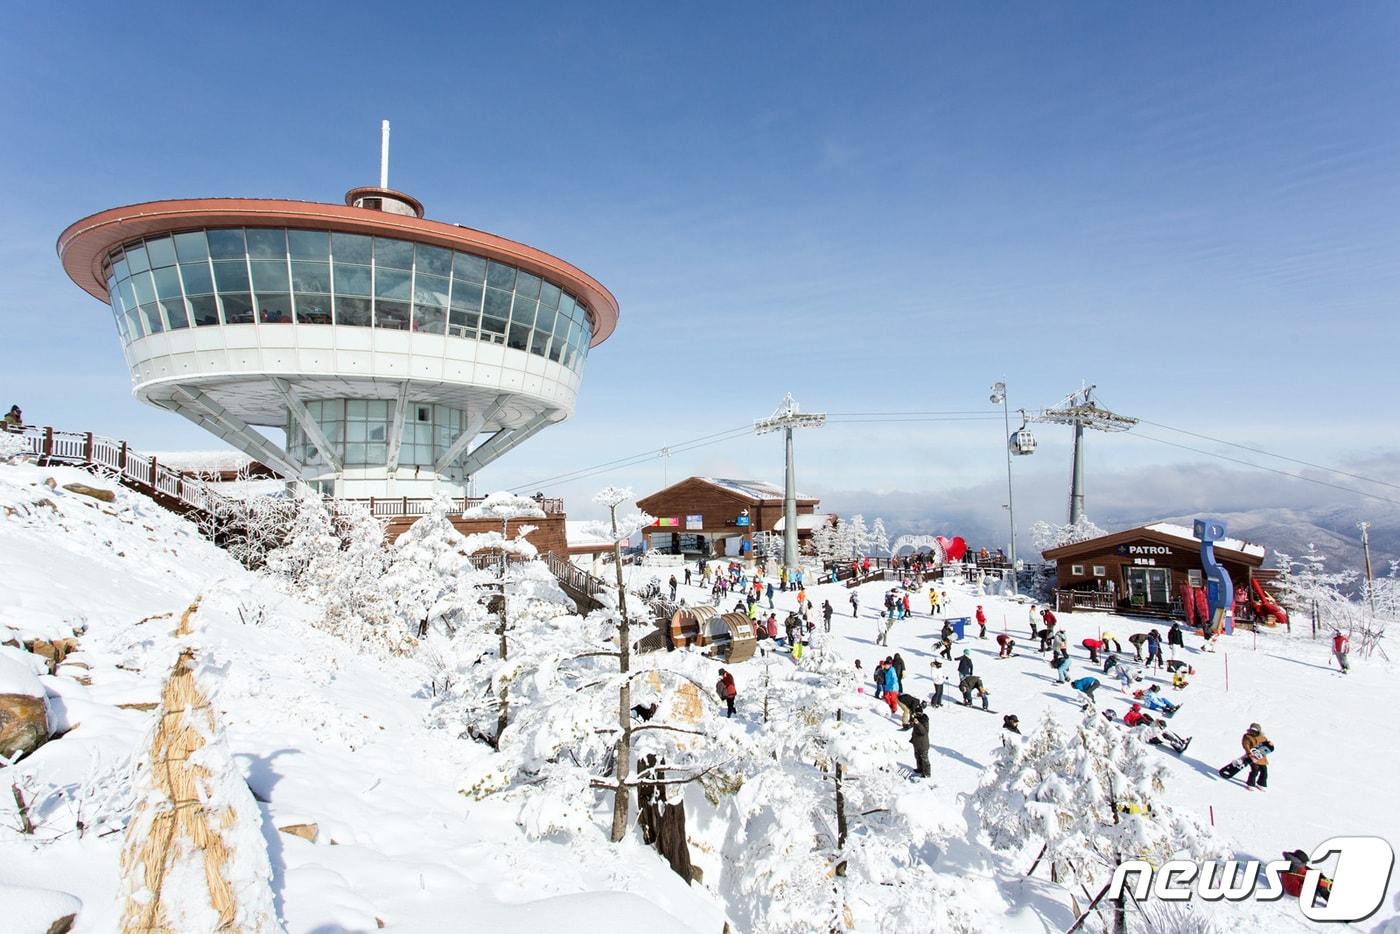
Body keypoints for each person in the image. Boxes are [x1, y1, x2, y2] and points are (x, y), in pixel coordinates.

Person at [1242, 723, 1273, 790]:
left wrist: (1270, 744)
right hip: (1252, 756)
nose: (1253, 732)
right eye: (1252, 730)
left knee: (1264, 770)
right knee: (1255, 770)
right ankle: (1250, 783)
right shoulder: (1247, 736)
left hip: (1261, 757)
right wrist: (1249, 753)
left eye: (1255, 730)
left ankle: (1261, 783)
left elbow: (1266, 744)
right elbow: (1246, 745)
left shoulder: (1262, 737)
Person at [910, 705, 931, 777]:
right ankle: (920, 769)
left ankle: (927, 773)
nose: (915, 714)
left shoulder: (924, 720)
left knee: (924, 759)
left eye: (917, 713)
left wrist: (918, 723)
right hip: (917, 743)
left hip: (923, 744)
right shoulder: (917, 718)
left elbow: (924, 732)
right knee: (917, 757)